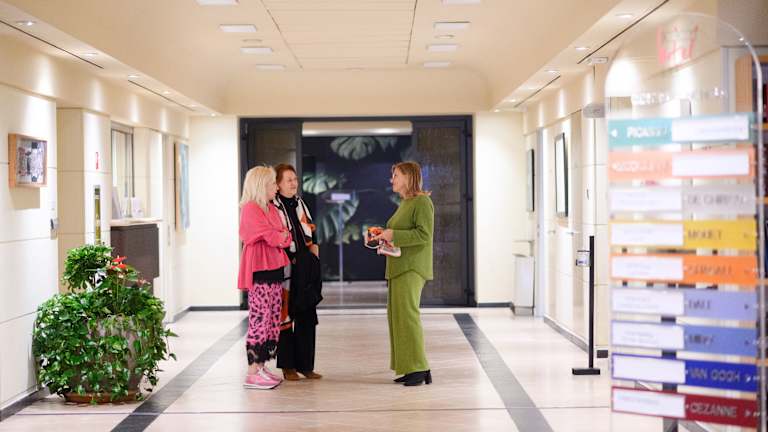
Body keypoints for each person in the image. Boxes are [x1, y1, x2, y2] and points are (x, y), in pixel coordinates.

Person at [371, 161, 434, 386]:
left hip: (411, 267)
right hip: (398, 267)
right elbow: (400, 233)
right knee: (397, 318)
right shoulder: (405, 203)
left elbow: (424, 235)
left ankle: (419, 367)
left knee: (408, 316)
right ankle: (410, 367)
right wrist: (384, 238)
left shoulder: (422, 202)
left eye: (396, 175)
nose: (392, 180)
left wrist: (393, 235)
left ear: (408, 177)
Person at [238, 166, 292, 390]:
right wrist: (277, 235)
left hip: (275, 269)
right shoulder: (250, 208)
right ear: (261, 185)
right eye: (272, 183)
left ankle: (261, 366)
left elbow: (285, 235)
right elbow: (271, 236)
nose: (276, 187)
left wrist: (277, 235)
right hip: (260, 270)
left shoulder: (270, 208)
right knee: (259, 319)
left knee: (271, 319)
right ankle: (252, 373)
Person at [272, 163, 323, 381]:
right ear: (278, 184)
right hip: (285, 268)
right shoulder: (273, 208)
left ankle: (306, 365)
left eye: (295, 179)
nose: (294, 183)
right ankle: (288, 367)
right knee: (285, 317)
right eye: (289, 180)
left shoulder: (300, 203)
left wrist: (314, 258)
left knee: (307, 314)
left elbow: (311, 230)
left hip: (305, 266)